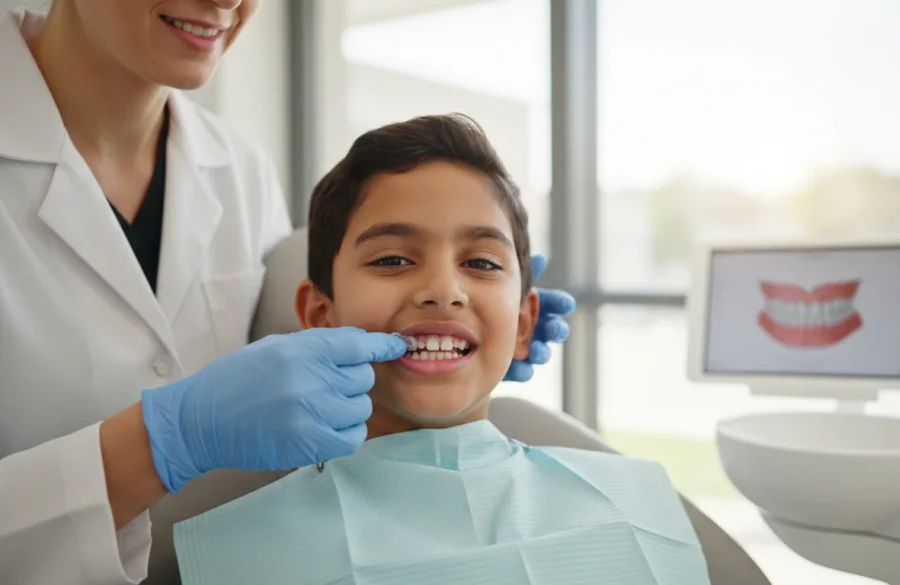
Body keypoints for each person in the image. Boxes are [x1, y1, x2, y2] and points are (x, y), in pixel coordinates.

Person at [0, 3, 575, 584]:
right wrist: (162, 441)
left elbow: (290, 333)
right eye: (396, 258)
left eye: (478, 262)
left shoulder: (241, 171)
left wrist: (467, 328)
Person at [170, 114, 710, 585]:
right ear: (319, 316)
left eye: (481, 263)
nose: (443, 290)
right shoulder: (243, 555)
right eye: (391, 260)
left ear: (524, 323)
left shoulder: (636, 505)